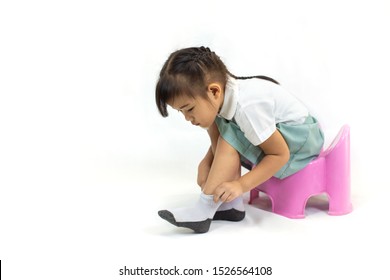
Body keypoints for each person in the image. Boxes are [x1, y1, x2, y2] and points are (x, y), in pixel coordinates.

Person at [155, 46, 324, 233]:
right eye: (181, 112)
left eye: (189, 109)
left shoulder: (247, 107)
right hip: (285, 137)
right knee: (219, 125)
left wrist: (240, 185)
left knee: (230, 135)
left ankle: (204, 208)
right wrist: (207, 161)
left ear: (214, 91)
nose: (187, 118)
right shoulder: (223, 100)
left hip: (301, 141)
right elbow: (218, 140)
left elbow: (279, 154)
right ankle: (231, 206)